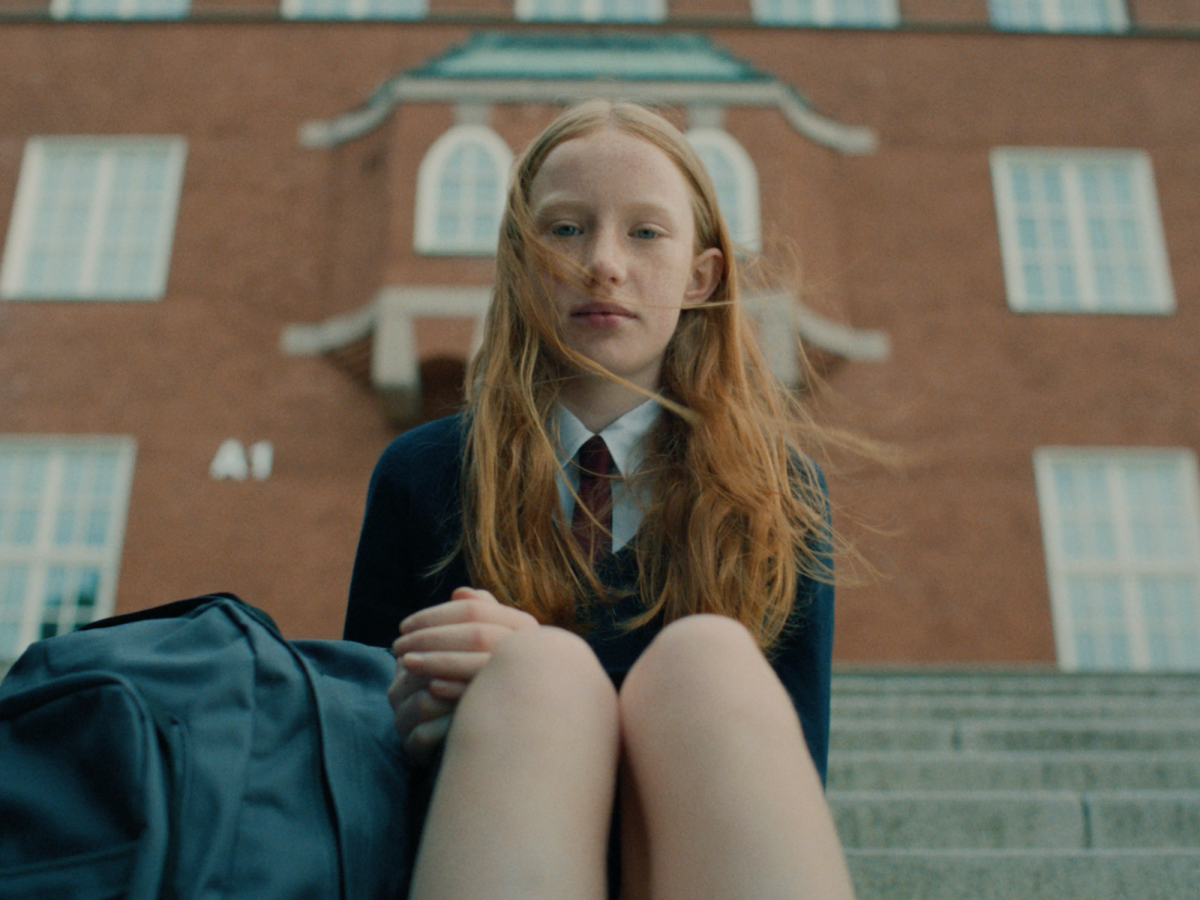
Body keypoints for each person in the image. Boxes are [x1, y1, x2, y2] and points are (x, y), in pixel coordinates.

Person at [344, 100, 857, 900]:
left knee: (707, 661)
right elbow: (352, 760)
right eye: (565, 229)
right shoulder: (420, 475)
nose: (604, 263)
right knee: (538, 677)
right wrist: (411, 719)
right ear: (521, 260)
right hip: (484, 838)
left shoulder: (780, 495)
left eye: (645, 232)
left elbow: (793, 777)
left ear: (700, 276)